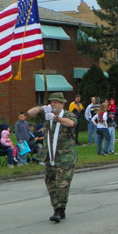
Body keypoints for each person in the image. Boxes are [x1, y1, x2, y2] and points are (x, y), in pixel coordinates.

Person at [27, 92, 78, 223]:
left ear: (62, 103)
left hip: (65, 157)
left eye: (56, 102)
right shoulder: (46, 115)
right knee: (51, 183)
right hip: (50, 156)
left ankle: (59, 210)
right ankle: (58, 207)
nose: (53, 104)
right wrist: (42, 108)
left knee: (62, 184)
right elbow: (30, 113)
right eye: (51, 102)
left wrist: (55, 118)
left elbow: (71, 123)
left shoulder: (68, 115)